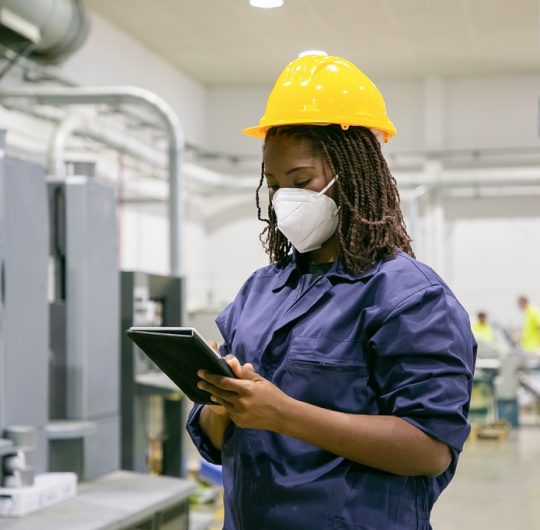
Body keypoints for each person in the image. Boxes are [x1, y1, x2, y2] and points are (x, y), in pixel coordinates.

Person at [187, 53, 476, 530]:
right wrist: (223, 407)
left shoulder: (409, 298)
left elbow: (429, 449)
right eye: (276, 185)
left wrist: (284, 415)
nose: (286, 200)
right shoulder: (261, 291)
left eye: (302, 182)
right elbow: (216, 434)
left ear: (356, 173)